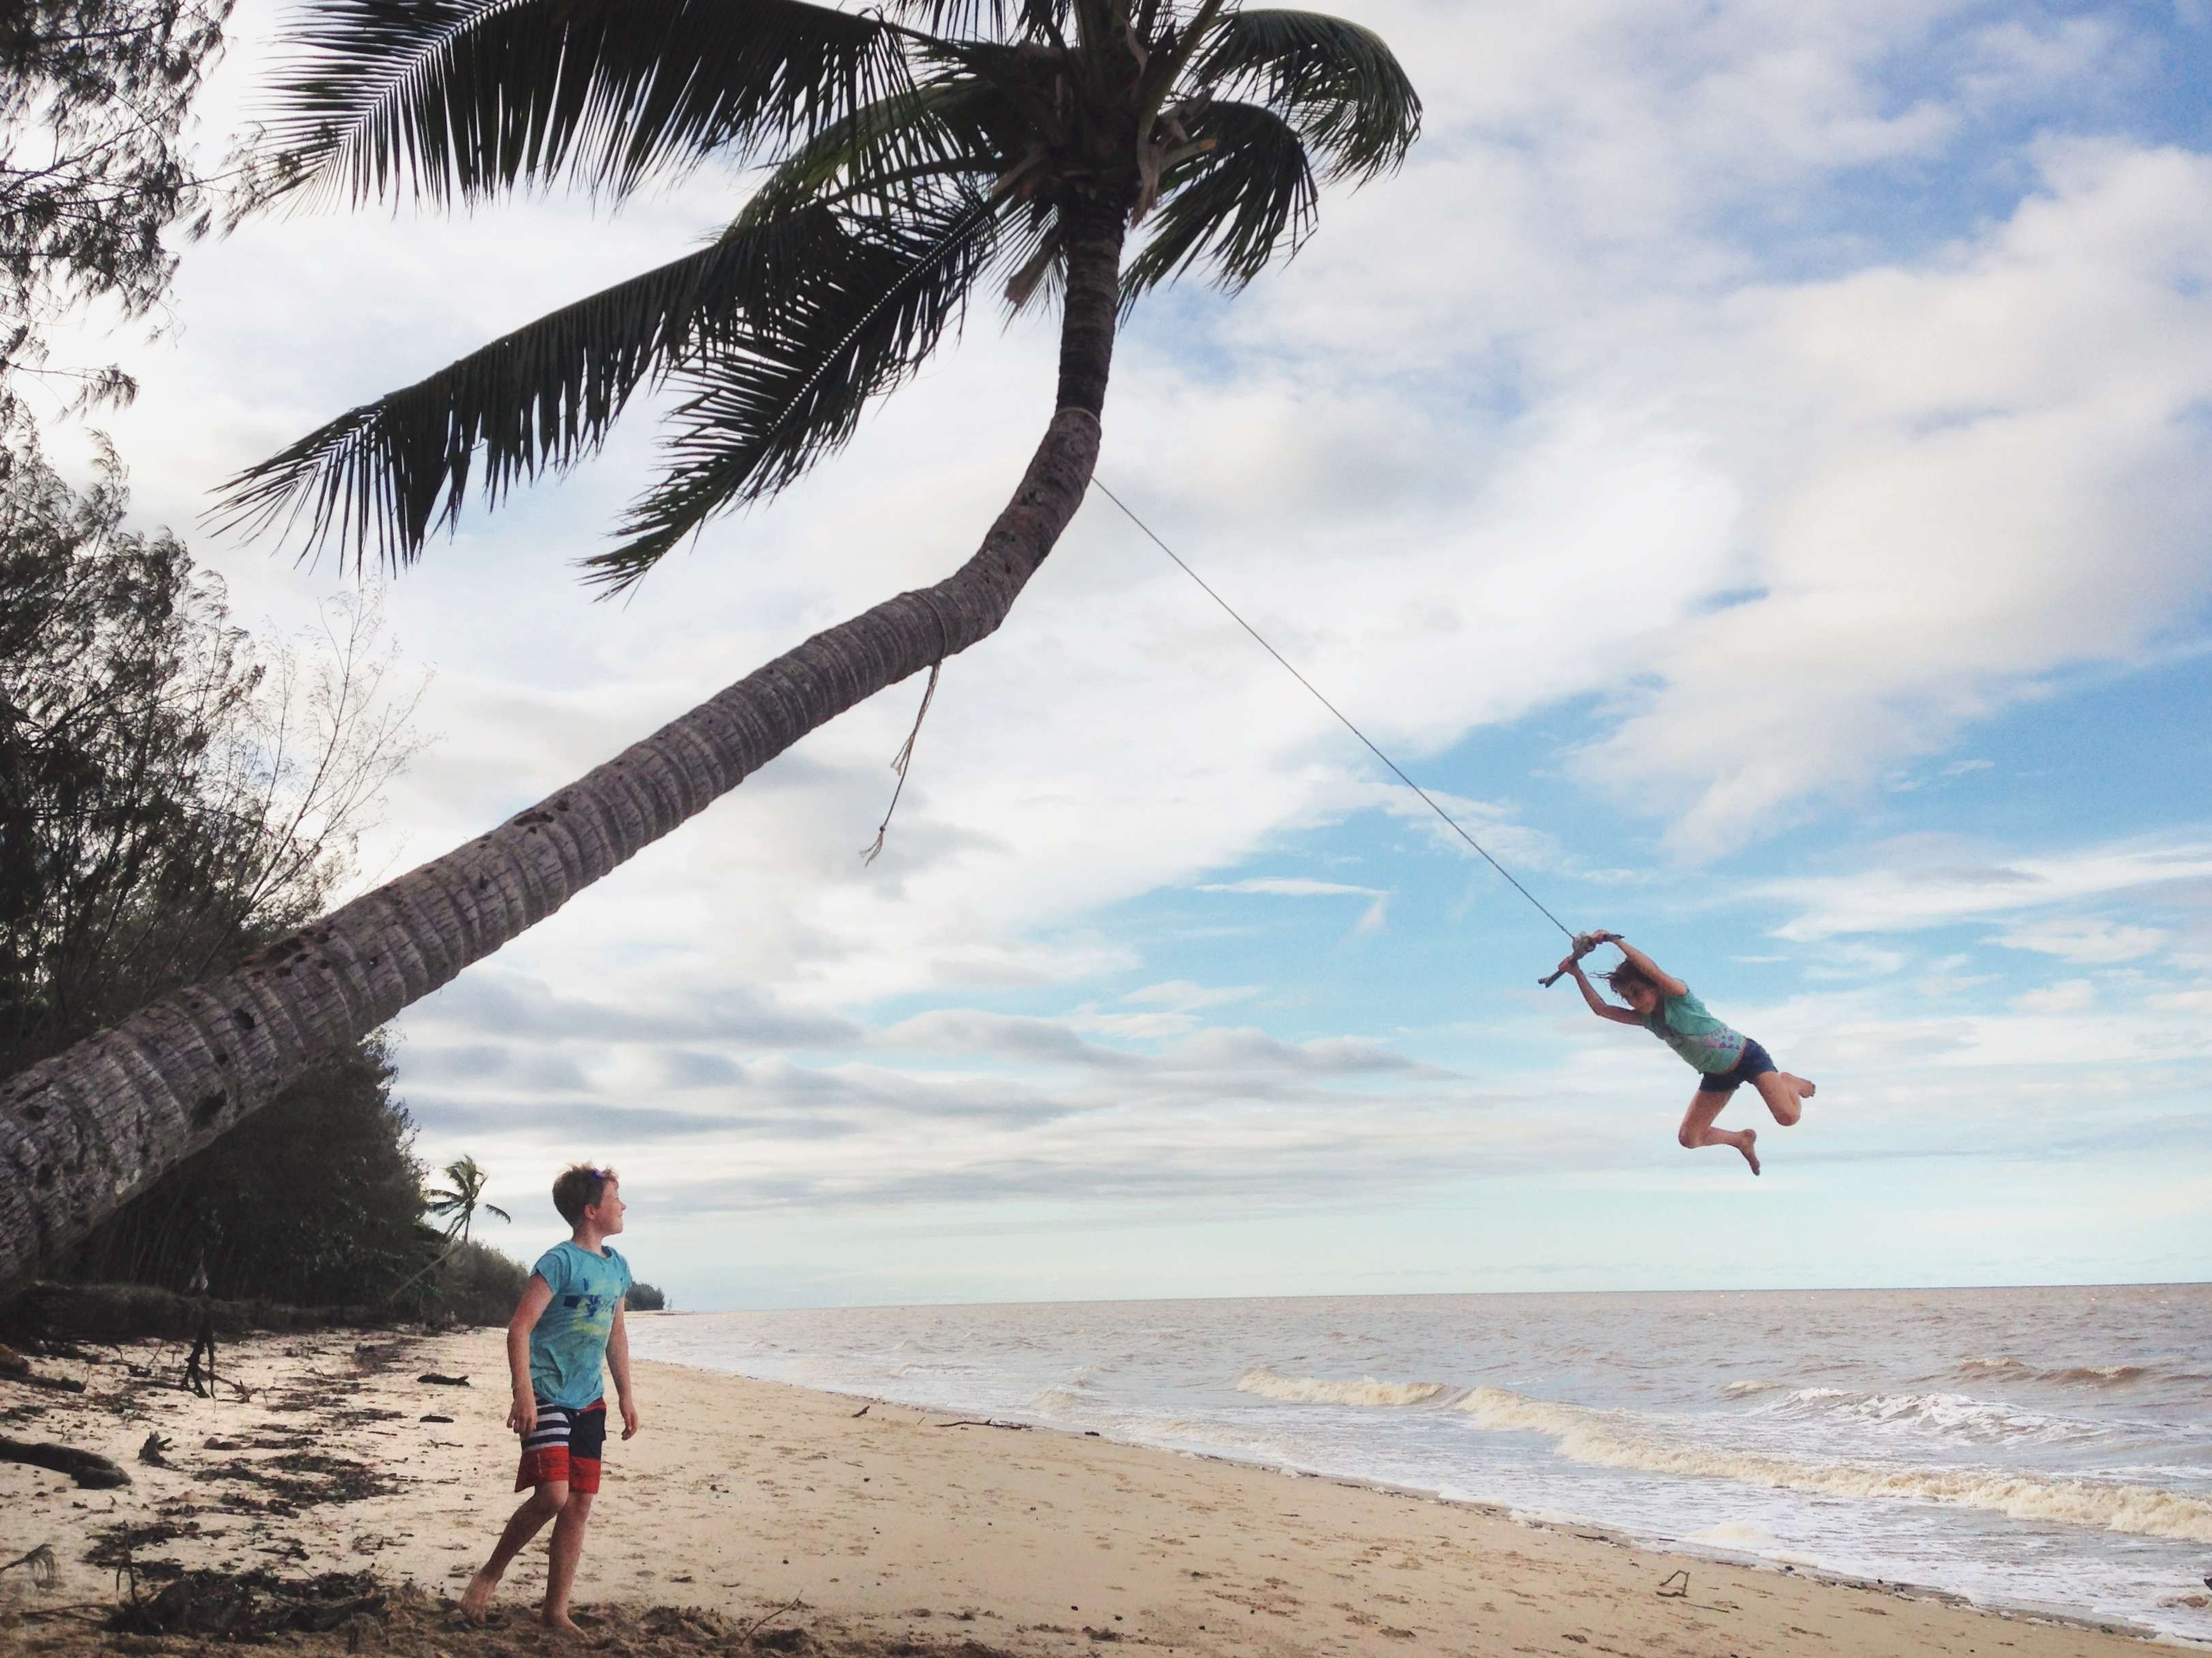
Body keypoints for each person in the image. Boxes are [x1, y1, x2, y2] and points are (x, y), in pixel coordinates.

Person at [460, 1163, 639, 1630]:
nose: (623, 1205)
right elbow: (519, 1329)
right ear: (591, 1210)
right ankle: (489, 1574)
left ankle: (555, 1611)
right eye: (615, 1198)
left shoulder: (618, 1267)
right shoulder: (558, 1262)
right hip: (547, 1394)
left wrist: (626, 1396)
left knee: (578, 1503)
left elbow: (616, 1335)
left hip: (590, 1399)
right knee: (552, 1496)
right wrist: (523, 1393)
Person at [1559, 932, 1815, 1176]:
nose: (1634, 1002)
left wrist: (1615, 941)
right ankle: (1740, 1140)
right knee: (1690, 1138)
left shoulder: (1678, 996)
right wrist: (1576, 973)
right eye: (1627, 998)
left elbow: (1654, 972)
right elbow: (1602, 1010)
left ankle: (1789, 1083)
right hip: (1717, 1076)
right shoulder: (1648, 1020)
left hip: (1747, 1058)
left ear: (1654, 986)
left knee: (1788, 1117)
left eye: (1637, 992)